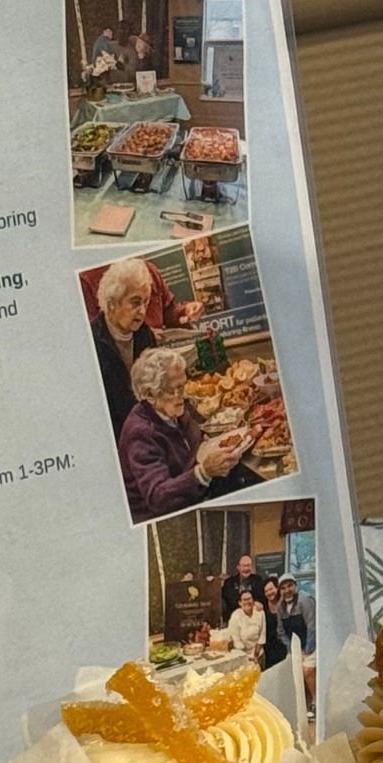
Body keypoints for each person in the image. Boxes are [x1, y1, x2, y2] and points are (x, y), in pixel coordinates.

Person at [116, 349, 249, 524]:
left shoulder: (173, 408)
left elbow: (194, 441)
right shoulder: (140, 433)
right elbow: (158, 497)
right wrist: (203, 472)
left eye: (183, 385)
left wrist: (218, 438)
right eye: (174, 389)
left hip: (194, 497)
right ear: (149, 394)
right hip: (164, 520)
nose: (183, 395)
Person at [89, 258, 158, 435]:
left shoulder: (145, 335)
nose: (143, 311)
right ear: (111, 304)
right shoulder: (91, 342)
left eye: (146, 302)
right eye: (135, 302)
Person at [220, 552, 265, 620]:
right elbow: (222, 598)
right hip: (235, 619)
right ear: (238, 567)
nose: (246, 568)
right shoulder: (229, 583)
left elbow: (262, 600)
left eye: (248, 565)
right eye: (244, 566)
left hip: (253, 619)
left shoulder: (258, 580)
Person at [277, 575, 313, 652]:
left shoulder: (304, 600)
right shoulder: (280, 606)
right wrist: (291, 648)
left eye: (289, 586)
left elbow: (311, 627)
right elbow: (281, 631)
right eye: (283, 588)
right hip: (294, 651)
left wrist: (307, 651)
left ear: (296, 586)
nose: (287, 590)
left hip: (310, 649)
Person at [229, 588, 267, 660]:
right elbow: (236, 638)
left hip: (259, 653)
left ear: (253, 600)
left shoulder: (260, 612)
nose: (247, 602)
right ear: (240, 603)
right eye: (244, 600)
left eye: (249, 599)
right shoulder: (235, 615)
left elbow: (262, 635)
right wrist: (246, 657)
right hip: (242, 654)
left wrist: (255, 655)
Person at [260, 580, 288, 670]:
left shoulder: (285, 603)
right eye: (266, 591)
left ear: (277, 588)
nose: (269, 593)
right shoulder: (262, 606)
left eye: (271, 589)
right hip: (269, 646)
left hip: (283, 644)